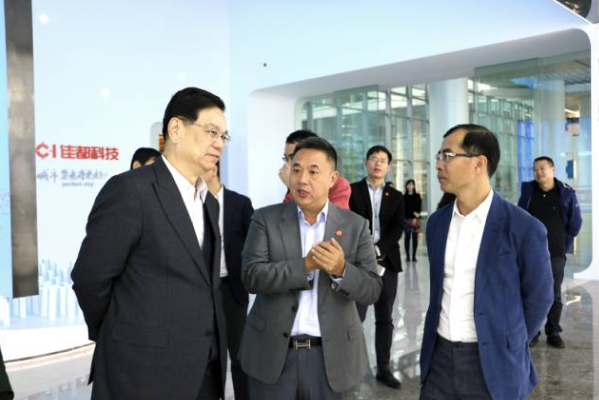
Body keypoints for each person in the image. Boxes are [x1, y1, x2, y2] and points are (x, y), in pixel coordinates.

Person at [71, 87, 230, 400]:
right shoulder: (131, 191)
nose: (219, 143)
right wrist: (120, 331)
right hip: (140, 370)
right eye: (212, 132)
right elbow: (91, 278)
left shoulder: (209, 202)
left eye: (224, 136)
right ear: (176, 129)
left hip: (203, 370)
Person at [241, 137, 383, 399]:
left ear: (333, 178)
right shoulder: (265, 219)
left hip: (331, 358)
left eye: (313, 171)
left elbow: (372, 289)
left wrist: (341, 270)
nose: (302, 179)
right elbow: (251, 276)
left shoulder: (355, 225)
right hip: (272, 355)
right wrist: (305, 265)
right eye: (296, 170)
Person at [420, 124, 553, 400]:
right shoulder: (437, 224)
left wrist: (507, 340)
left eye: (448, 155)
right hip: (439, 362)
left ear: (479, 163)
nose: (438, 164)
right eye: (438, 156)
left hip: (493, 365)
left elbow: (539, 299)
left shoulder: (523, 228)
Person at [349, 145, 404, 389]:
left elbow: (398, 228)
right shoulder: (352, 191)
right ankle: (350, 370)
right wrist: (365, 250)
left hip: (387, 263)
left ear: (388, 167)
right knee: (354, 318)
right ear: (366, 163)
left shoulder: (397, 196)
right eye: (374, 159)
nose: (378, 163)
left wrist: (378, 249)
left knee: (385, 318)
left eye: (383, 160)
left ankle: (384, 369)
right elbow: (349, 223)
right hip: (358, 264)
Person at [518, 156, 582, 349]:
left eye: (542, 168)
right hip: (531, 253)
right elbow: (520, 218)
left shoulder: (566, 193)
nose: (538, 172)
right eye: (535, 169)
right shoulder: (528, 191)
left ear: (552, 169)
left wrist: (563, 244)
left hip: (555, 253)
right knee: (531, 292)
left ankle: (553, 332)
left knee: (554, 294)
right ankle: (533, 332)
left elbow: (575, 223)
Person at [202, 163, 254, 399]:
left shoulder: (239, 203)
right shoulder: (194, 203)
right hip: (203, 289)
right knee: (209, 354)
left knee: (239, 353)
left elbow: (254, 243)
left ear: (213, 170)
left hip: (232, 287)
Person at [279, 130, 351, 209]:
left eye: (293, 157)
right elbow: (286, 214)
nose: (288, 164)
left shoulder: (339, 185)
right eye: (286, 158)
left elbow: (333, 216)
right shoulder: (295, 182)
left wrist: (292, 186)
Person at [403, 179, 422, 262]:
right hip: (406, 219)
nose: (410, 186)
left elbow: (419, 207)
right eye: (408, 184)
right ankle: (407, 256)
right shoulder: (403, 197)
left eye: (411, 184)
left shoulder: (417, 196)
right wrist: (413, 212)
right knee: (407, 238)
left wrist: (415, 217)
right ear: (406, 186)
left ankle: (414, 256)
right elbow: (404, 209)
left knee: (415, 238)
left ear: (414, 186)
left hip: (416, 219)